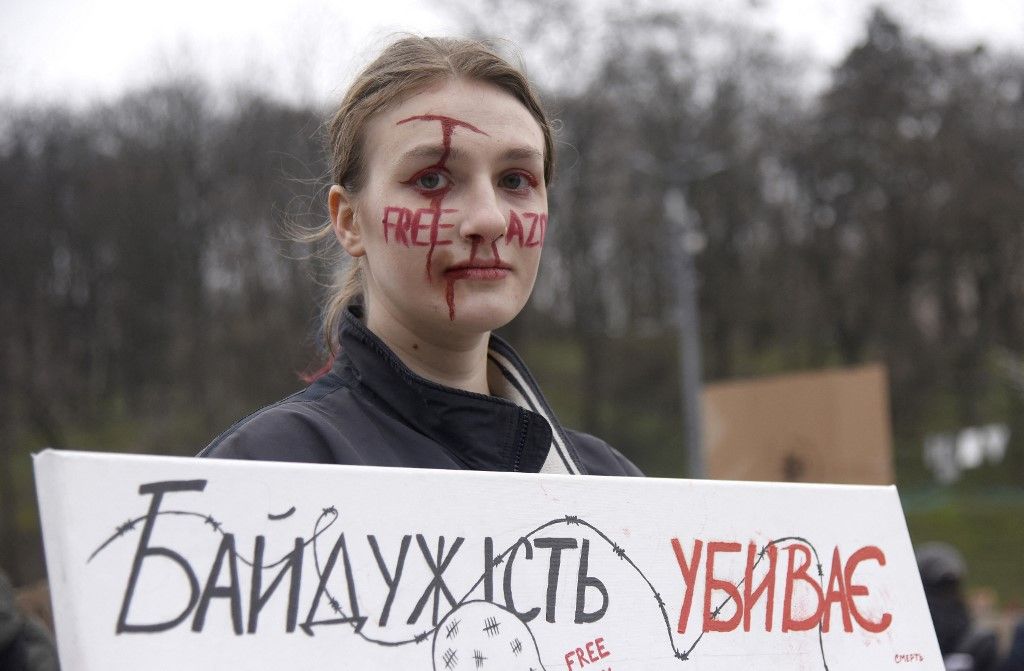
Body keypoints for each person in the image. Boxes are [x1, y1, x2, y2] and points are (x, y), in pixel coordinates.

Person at [200, 36, 641, 477]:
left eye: (514, 180)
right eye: (431, 180)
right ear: (350, 221)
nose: (489, 220)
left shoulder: (614, 485)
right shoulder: (264, 469)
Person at [916, 542, 999, 671]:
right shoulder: (917, 615)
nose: (946, 591)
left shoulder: (958, 610)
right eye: (941, 586)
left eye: (950, 585)